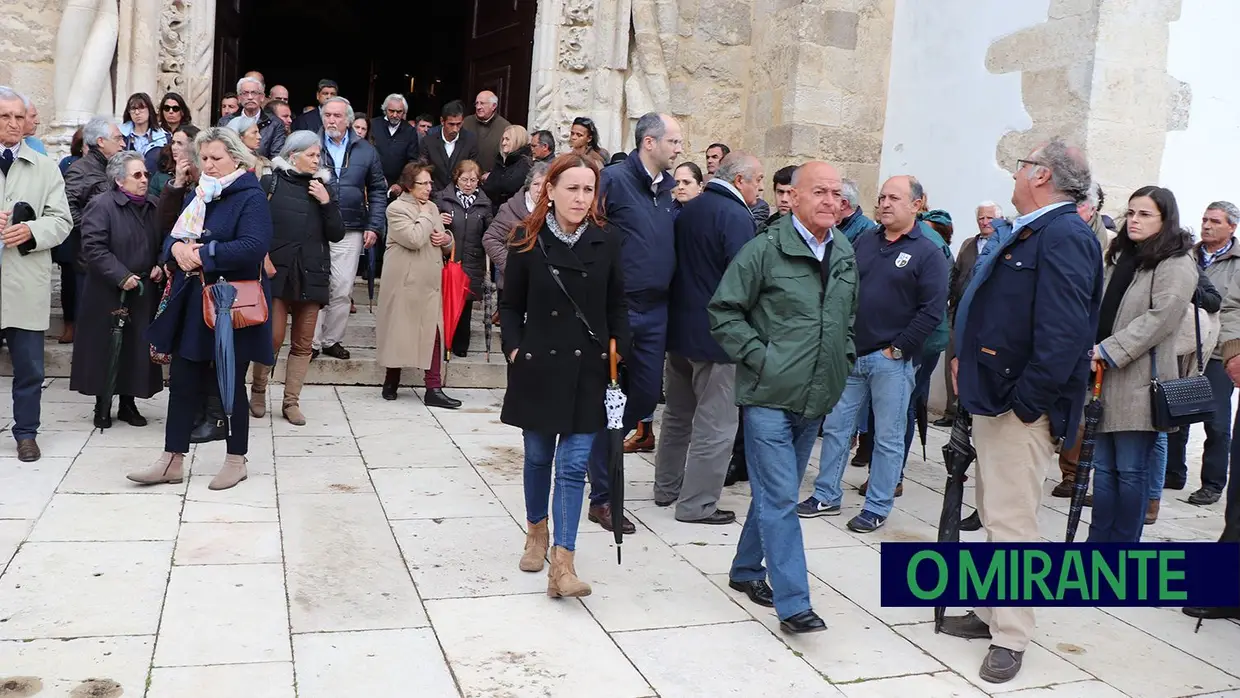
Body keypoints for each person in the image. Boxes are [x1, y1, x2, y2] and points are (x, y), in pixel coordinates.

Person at [941, 138, 1103, 683]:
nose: (1015, 173)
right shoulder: (1037, 229)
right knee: (994, 513)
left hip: (1019, 407)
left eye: (1022, 164)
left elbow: (1063, 336)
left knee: (1013, 524)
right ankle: (989, 612)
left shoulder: (1065, 235)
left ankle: (1011, 635)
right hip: (996, 397)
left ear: (1043, 176)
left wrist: (1027, 404)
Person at [709, 161, 856, 633]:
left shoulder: (846, 251)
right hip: (768, 394)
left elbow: (846, 322)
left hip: (815, 396)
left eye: (837, 193)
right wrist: (761, 358)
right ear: (792, 196)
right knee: (780, 497)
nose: (832, 201)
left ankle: (746, 568)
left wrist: (842, 361)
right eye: (821, 192)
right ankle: (794, 602)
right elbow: (724, 311)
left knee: (778, 491)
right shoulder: (764, 251)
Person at [500, 153, 631, 598]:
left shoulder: (606, 240)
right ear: (550, 190)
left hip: (588, 369)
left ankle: (563, 563)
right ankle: (536, 532)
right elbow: (511, 303)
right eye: (571, 188)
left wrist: (620, 348)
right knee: (538, 457)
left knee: (574, 466)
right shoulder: (525, 238)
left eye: (588, 189)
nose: (580, 197)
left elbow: (617, 304)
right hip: (538, 365)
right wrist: (515, 349)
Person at [798, 175, 949, 533]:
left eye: (893, 198)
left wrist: (899, 348)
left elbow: (932, 309)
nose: (884, 203)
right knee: (836, 428)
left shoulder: (928, 250)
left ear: (916, 204)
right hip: (852, 355)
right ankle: (826, 495)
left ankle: (878, 505)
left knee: (888, 436)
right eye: (881, 196)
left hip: (892, 361)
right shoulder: (866, 242)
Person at [132, 127, 274, 491]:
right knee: (182, 381)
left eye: (216, 158)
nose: (208, 165)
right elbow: (174, 235)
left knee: (229, 383)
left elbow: (253, 246)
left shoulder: (250, 195)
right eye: (204, 158)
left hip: (231, 305)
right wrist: (174, 252)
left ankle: (235, 459)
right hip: (193, 301)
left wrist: (202, 253)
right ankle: (171, 460)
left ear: (236, 159)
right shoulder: (200, 195)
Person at [586, 112, 682, 535]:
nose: (679, 149)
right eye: (674, 142)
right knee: (611, 402)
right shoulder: (613, 180)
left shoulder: (667, 190)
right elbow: (589, 231)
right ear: (650, 142)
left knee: (643, 399)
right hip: (620, 308)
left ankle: (596, 446)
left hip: (657, 311)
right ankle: (603, 498)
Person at [655, 153, 763, 525]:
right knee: (715, 425)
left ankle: (666, 488)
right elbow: (745, 281)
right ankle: (697, 505)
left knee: (677, 415)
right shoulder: (735, 216)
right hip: (718, 338)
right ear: (740, 180)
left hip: (680, 330)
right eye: (758, 180)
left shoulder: (689, 209)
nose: (760, 189)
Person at [1088, 186, 1197, 543]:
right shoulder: (1118, 255)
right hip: (1102, 378)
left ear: (1165, 220)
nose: (1134, 220)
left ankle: (1122, 550)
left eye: (1145, 214)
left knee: (1131, 471)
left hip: (1139, 382)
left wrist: (1108, 349)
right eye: (1131, 213)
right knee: (1103, 470)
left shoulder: (1175, 262)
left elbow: (1161, 317)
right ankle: (1097, 545)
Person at [249, 131, 346, 425]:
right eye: (312, 155)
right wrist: (262, 257)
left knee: (304, 343)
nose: (317, 160)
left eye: (319, 156)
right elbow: (256, 225)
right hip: (278, 272)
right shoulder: (270, 182)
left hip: (313, 272)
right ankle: (258, 390)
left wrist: (327, 202)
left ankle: (291, 402)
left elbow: (337, 233)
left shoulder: (324, 188)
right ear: (294, 156)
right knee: (273, 337)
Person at [0, 87, 73, 462]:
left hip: (24, 280)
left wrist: (31, 231)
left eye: (18, 116)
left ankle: (26, 432)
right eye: (4, 117)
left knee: (29, 366)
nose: (14, 124)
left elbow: (62, 221)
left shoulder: (45, 167)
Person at [72, 152, 164, 428]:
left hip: (143, 289)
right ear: (119, 179)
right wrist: (121, 275)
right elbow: (93, 246)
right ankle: (102, 403)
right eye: (137, 175)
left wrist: (161, 263)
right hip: (108, 290)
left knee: (136, 348)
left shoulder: (154, 205)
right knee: (106, 347)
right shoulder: (101, 205)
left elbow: (163, 240)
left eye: (145, 174)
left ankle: (128, 403)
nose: (144, 179)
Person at [1165, 201, 1240, 505]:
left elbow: (1234, 309)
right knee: (1176, 413)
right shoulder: (1188, 255)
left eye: (1215, 221)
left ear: (1231, 227)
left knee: (1217, 422)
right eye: (1205, 219)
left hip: (1220, 350)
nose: (1207, 226)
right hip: (1184, 346)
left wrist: (1233, 349)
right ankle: (1173, 472)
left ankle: (1212, 483)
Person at [378, 163, 460, 409]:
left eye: (430, 183)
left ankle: (433, 387)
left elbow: (443, 241)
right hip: (404, 281)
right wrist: (425, 215)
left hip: (429, 283)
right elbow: (413, 239)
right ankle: (391, 379)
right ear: (409, 186)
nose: (428, 188)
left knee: (433, 333)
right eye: (423, 183)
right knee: (399, 330)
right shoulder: (396, 208)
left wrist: (447, 239)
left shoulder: (433, 206)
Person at [311, 96, 386, 361]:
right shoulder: (310, 145)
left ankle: (332, 340)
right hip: (315, 225)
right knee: (316, 284)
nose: (331, 120)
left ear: (349, 120)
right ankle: (311, 342)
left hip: (352, 227)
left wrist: (374, 226)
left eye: (337, 116)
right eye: (327, 115)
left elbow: (378, 190)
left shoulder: (366, 150)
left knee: (342, 287)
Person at [935, 201, 1007, 427]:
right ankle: (952, 411)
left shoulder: (1005, 243)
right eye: (981, 219)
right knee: (952, 358)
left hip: (987, 315)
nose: (985, 222)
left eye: (989, 218)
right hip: (959, 312)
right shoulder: (968, 244)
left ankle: (972, 412)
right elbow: (955, 275)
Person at [63, 116, 127, 345]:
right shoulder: (81, 169)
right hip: (90, 260)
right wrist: (93, 229)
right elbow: (67, 207)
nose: (123, 143)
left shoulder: (113, 168)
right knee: (92, 327)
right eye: (118, 138)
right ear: (101, 141)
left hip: (114, 257)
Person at [433, 160, 493, 357]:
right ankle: (442, 345)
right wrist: (438, 220)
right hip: (449, 259)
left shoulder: (484, 204)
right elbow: (430, 224)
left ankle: (460, 346)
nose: (469, 184)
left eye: (473, 180)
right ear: (456, 179)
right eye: (465, 179)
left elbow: (489, 232)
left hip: (473, 260)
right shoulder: (443, 199)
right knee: (445, 303)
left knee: (465, 305)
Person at [483, 161, 548, 296]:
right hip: (512, 286)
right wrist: (512, 267)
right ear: (528, 185)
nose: (540, 189)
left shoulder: (556, 211)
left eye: (545, 185)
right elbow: (490, 239)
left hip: (543, 287)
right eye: (536, 184)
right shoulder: (511, 209)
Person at [418, 100, 480, 194]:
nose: (455, 129)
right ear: (442, 121)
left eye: (458, 124)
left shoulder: (470, 141)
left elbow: (472, 171)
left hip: (460, 197)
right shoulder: (428, 141)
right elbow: (423, 170)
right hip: (432, 195)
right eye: (451, 124)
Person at [220, 76, 285, 160]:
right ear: (239, 98)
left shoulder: (275, 123)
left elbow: (276, 157)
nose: (250, 97)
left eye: (254, 93)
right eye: (245, 93)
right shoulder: (225, 122)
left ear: (262, 97)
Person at [370, 94, 420, 200]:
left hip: (396, 189)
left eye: (399, 112)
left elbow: (412, 161)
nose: (395, 115)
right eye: (391, 111)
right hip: (371, 182)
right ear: (385, 110)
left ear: (404, 112)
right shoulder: (373, 125)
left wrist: (401, 184)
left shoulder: (410, 131)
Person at [482, 125, 532, 209]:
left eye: (507, 139)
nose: (503, 143)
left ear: (517, 140)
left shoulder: (525, 164)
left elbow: (509, 187)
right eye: (503, 139)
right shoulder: (501, 161)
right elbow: (489, 186)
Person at [463, 90, 511, 175]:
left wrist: (493, 174)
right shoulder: (466, 122)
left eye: (482, 103)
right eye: (476, 103)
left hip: (491, 178)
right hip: (466, 176)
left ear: (494, 106)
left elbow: (508, 157)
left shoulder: (505, 127)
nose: (478, 107)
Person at [120, 92, 168, 158]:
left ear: (149, 109)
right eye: (133, 109)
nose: (137, 112)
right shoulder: (120, 135)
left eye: (141, 108)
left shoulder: (163, 137)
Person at [837, 177, 876, 242]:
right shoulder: (832, 223)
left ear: (843, 204)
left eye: (834, 195)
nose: (827, 201)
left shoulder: (866, 228)